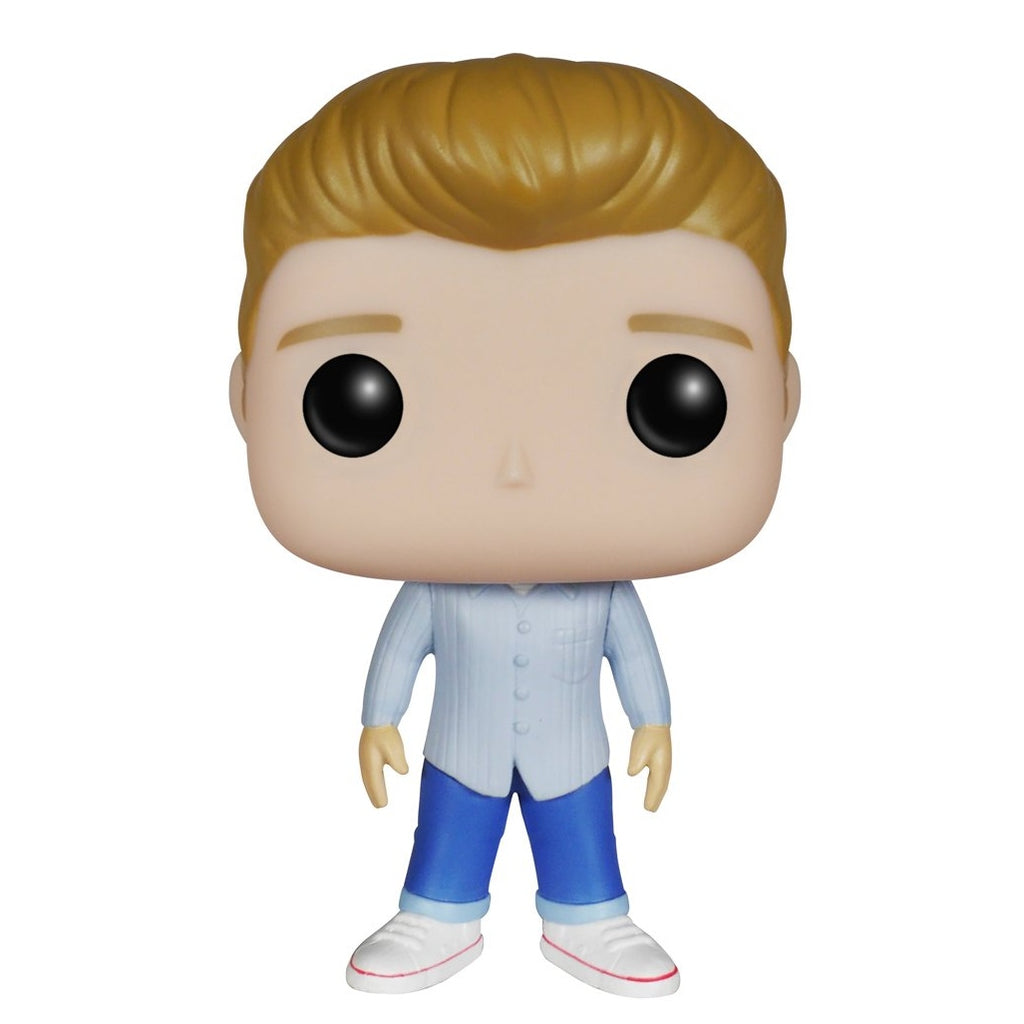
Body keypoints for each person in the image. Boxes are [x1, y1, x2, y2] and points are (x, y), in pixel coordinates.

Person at [230, 54, 800, 996]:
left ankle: (592, 918)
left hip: (575, 753)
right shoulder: (436, 589)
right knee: (446, 838)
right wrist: (378, 719)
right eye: (357, 400)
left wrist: (654, 722)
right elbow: (401, 650)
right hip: (459, 747)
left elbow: (634, 657)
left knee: (584, 837)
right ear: (247, 398)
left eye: (673, 398)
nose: (515, 470)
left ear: (782, 398)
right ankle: (436, 915)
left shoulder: (603, 592)